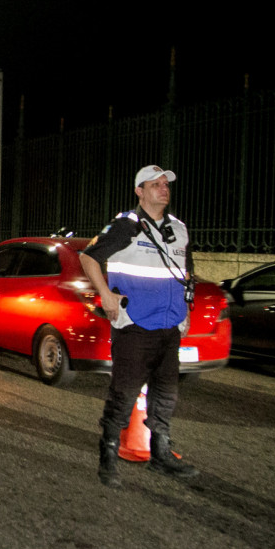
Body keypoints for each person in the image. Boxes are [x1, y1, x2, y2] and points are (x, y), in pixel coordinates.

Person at [79, 164, 200, 487]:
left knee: (166, 394)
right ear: (139, 191)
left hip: (169, 326)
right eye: (155, 184)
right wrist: (105, 294)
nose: (163, 189)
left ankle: (160, 455)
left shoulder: (179, 229)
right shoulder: (125, 227)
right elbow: (88, 258)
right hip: (135, 325)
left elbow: (186, 273)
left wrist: (186, 309)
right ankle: (107, 456)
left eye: (166, 184)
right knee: (124, 393)